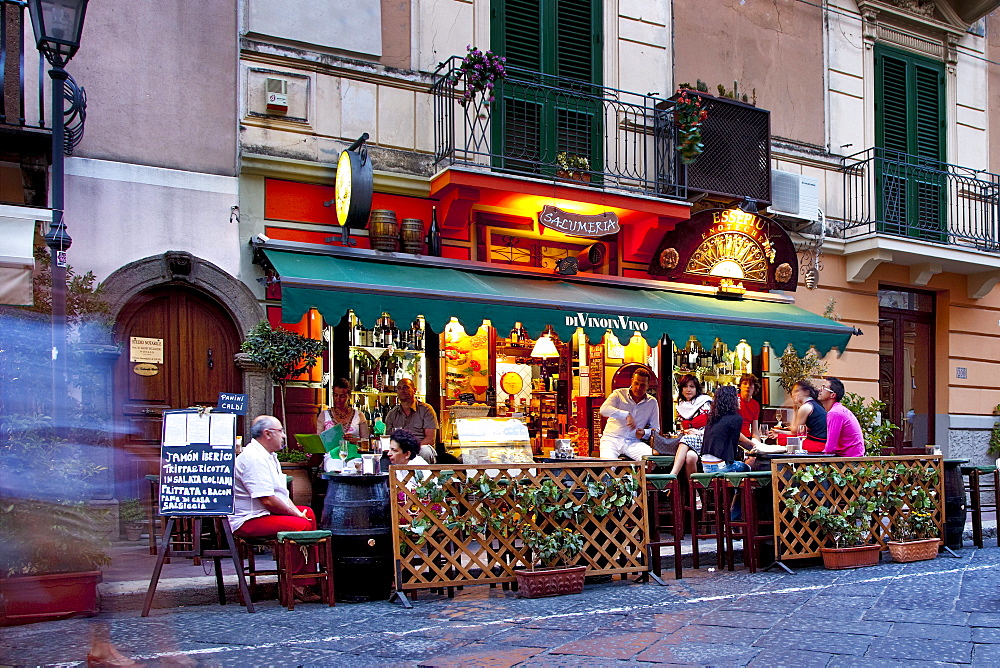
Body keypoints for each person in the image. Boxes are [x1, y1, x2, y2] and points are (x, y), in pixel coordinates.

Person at [229, 415, 319, 601]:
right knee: (299, 525)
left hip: (263, 514)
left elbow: (281, 494)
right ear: (267, 434)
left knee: (308, 514)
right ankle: (295, 583)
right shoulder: (254, 458)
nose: (284, 436)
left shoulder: (269, 456)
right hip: (249, 519)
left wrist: (297, 512)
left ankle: (306, 579)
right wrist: (295, 515)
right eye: (280, 431)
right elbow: (267, 500)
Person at [599, 368, 658, 461]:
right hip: (611, 440)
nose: (638, 387)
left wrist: (644, 433)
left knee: (652, 460)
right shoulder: (618, 394)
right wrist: (626, 415)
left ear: (648, 386)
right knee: (608, 468)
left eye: (643, 385)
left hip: (633, 442)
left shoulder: (652, 402)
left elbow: (656, 429)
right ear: (631, 381)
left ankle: (639, 476)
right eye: (636, 383)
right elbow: (603, 410)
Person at [700, 385, 753, 473]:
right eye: (736, 397)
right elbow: (737, 441)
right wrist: (754, 447)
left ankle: (734, 487)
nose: (739, 400)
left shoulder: (712, 418)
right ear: (732, 400)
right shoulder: (736, 418)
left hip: (705, 465)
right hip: (721, 466)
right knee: (747, 467)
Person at [384, 378, 438, 463]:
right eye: (399, 388)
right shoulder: (392, 414)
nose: (402, 390)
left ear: (414, 390)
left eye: (405, 387)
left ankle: (425, 476)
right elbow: (389, 439)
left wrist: (412, 450)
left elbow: (430, 439)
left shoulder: (426, 410)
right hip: (400, 451)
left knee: (426, 451)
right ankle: (395, 476)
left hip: (420, 448)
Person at [669, 374, 712, 476]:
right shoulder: (680, 405)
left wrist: (699, 432)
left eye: (692, 386)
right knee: (690, 457)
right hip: (691, 441)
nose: (688, 389)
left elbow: (715, 426)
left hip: (706, 438)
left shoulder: (706, 402)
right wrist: (686, 431)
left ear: (697, 388)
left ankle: (672, 475)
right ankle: (693, 491)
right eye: (685, 386)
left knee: (685, 440)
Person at [770, 379, 827, 452]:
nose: (793, 394)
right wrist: (779, 432)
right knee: (782, 437)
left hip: (818, 445)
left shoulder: (805, 407)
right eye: (793, 392)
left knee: (783, 439)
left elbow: (794, 431)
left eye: (797, 391)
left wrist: (795, 407)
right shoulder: (814, 404)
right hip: (821, 442)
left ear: (807, 392)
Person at [819, 377, 865, 457]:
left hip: (849, 462)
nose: (819, 389)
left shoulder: (835, 413)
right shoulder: (839, 410)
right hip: (854, 459)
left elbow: (830, 449)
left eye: (824, 387)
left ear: (832, 395)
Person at [326, 377, 369, 443]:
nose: (338, 399)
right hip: (330, 453)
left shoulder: (359, 415)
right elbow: (318, 441)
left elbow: (366, 442)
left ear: (349, 396)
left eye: (342, 396)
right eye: (335, 395)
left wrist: (354, 440)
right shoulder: (324, 415)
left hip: (353, 452)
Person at [738, 373, 762, 441]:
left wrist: (758, 444)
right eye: (745, 383)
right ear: (740, 386)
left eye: (751, 384)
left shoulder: (755, 405)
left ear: (754, 387)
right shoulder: (734, 400)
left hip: (747, 438)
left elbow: (755, 431)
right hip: (734, 438)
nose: (747, 386)